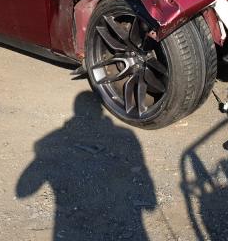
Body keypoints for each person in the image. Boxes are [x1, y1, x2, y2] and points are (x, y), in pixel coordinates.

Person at [17, 91, 156, 240]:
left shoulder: (47, 142)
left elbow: (22, 190)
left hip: (72, 228)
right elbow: (145, 180)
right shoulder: (125, 135)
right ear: (102, 110)